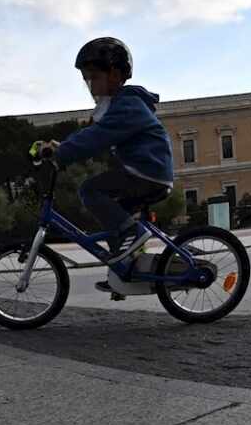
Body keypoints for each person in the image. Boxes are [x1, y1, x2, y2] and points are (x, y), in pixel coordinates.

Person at [37, 37, 173, 292]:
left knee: (91, 190)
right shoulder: (116, 105)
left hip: (147, 172)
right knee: (115, 221)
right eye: (86, 79)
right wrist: (61, 146)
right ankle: (126, 272)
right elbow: (92, 134)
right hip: (144, 172)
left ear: (115, 73)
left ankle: (131, 238)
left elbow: (97, 137)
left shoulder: (128, 104)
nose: (90, 85)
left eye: (94, 77)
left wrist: (64, 153)